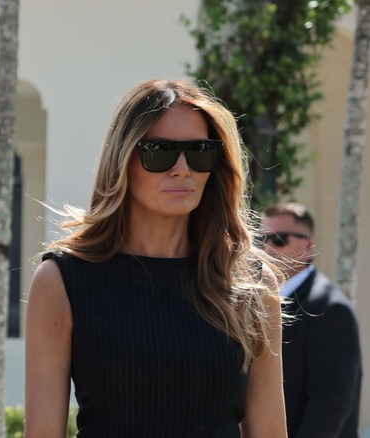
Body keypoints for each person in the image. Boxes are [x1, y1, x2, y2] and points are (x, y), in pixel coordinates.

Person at [24, 79, 286, 437]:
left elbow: (270, 431)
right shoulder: (62, 282)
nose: (182, 168)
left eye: (200, 152)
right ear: (123, 160)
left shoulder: (250, 283)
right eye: (160, 151)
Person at [261, 203, 362, 437]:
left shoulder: (330, 308)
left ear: (309, 245)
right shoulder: (263, 300)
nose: (267, 248)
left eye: (279, 239)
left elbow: (330, 404)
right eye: (261, 240)